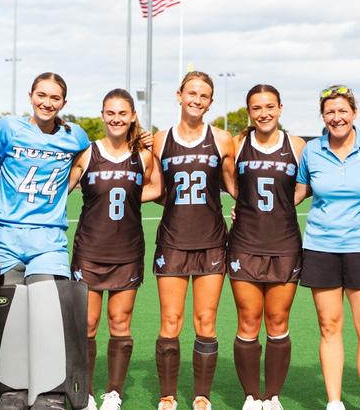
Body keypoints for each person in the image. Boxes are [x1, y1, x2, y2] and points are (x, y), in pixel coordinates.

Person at [0, 72, 92, 410]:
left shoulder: (74, 135)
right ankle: (13, 390)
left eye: (54, 97)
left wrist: (69, 183)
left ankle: (49, 392)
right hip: (6, 235)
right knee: (12, 314)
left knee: (47, 313)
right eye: (41, 95)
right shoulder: (8, 128)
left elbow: (86, 157)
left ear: (64, 102)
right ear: (30, 95)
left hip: (48, 238)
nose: (47, 103)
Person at [295, 85, 360, 410]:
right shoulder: (312, 150)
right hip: (320, 248)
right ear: (322, 116)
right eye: (330, 112)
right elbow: (299, 192)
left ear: (354, 113)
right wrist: (253, 209)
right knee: (329, 326)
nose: (336, 118)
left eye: (342, 111)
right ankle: (334, 402)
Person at [68, 89, 162, 410]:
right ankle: (85, 393)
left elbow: (157, 187)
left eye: (123, 113)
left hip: (127, 253)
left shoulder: (143, 155)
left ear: (133, 116)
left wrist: (131, 194)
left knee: (120, 324)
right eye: (111, 113)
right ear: (102, 115)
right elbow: (61, 188)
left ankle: (113, 394)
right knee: (88, 325)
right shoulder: (87, 153)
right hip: (89, 252)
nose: (116, 119)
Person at [151, 71, 237, 410]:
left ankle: (202, 395)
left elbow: (234, 186)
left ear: (210, 102)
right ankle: (167, 395)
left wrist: (248, 209)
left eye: (203, 95)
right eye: (191, 93)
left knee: (206, 320)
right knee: (170, 321)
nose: (196, 100)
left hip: (211, 242)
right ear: (179, 95)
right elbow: (157, 189)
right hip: (172, 241)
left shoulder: (222, 139)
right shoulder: (160, 140)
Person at [227, 85, 305, 410]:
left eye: (270, 106)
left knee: (277, 319)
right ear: (249, 112)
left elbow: (304, 185)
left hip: (284, 244)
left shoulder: (297, 145)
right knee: (248, 319)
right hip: (245, 243)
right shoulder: (237, 144)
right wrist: (243, 202)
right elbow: (227, 179)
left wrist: (286, 203)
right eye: (257, 108)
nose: (264, 113)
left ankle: (272, 397)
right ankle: (251, 396)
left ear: (280, 108)